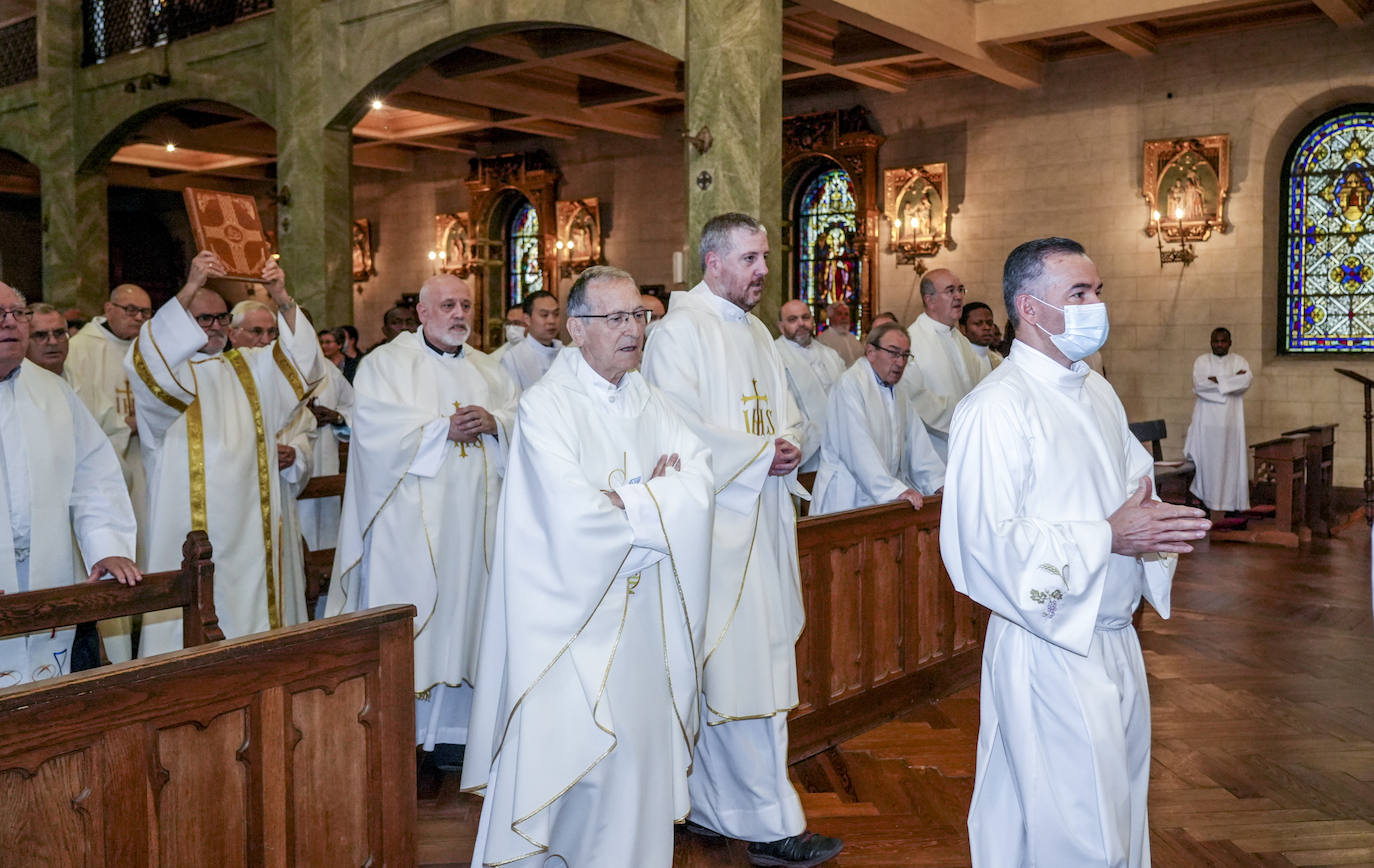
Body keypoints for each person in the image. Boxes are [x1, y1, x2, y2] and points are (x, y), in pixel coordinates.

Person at [940, 237, 1211, 868]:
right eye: (1080, 294)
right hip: (1049, 644)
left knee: (1117, 812)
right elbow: (982, 545)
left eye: (1098, 291)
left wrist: (1154, 522)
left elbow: (1131, 491)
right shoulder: (995, 408)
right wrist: (1111, 536)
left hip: (1114, 634)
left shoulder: (1096, 392)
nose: (1097, 305)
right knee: (1075, 831)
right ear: (1031, 309)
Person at [464, 266, 713, 868]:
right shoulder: (547, 408)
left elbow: (700, 479)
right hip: (571, 631)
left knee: (638, 763)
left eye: (639, 316)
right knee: (577, 771)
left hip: (643, 626)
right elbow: (572, 519)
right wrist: (654, 497)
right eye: (617, 318)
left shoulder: (649, 396)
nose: (633, 330)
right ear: (577, 328)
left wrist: (627, 501)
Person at [643, 213, 842, 868]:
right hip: (715, 536)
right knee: (736, 678)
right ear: (714, 261)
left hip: (765, 526)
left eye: (764, 257)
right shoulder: (676, 335)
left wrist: (787, 442)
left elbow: (787, 415)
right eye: (752, 258)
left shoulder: (757, 334)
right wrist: (762, 454)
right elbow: (674, 431)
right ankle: (770, 823)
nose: (763, 270)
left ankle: (707, 804)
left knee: (741, 676)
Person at [327, 273, 518, 770]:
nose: (459, 315)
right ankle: (399, 734)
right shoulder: (385, 364)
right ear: (423, 313)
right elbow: (373, 429)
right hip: (408, 526)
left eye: (466, 306)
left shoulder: (490, 369)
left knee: (468, 618)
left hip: (476, 524)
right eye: (448, 305)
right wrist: (441, 430)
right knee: (415, 620)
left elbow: (521, 418)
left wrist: (497, 423)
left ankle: (457, 733)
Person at [127, 251, 324, 657]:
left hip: (253, 528)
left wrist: (280, 295)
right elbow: (148, 358)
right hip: (189, 528)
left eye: (221, 319)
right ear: (184, 325)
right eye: (204, 319)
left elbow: (303, 364)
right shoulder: (171, 375)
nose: (215, 328)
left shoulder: (252, 366)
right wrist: (192, 284)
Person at [0, 281, 140, 687]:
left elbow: (93, 476)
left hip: (47, 573)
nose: (11, 323)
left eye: (17, 313)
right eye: (0, 314)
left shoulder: (53, 391)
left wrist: (107, 545)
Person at [66, 282, 154, 662]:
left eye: (145, 312)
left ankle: (146, 633)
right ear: (108, 308)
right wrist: (124, 425)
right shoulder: (82, 349)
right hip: (109, 466)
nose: (138, 318)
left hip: (149, 465)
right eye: (130, 310)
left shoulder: (151, 348)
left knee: (150, 546)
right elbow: (82, 423)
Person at [811, 322, 944, 515]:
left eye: (906, 355)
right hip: (847, 497)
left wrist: (937, 482)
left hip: (881, 497)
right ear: (871, 351)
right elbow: (857, 446)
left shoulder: (898, 390)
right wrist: (893, 490)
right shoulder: (850, 385)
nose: (900, 362)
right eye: (893, 353)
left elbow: (917, 442)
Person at [905, 268, 987, 461]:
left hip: (969, 442)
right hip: (935, 449)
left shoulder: (961, 340)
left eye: (960, 289)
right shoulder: (911, 341)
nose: (958, 296)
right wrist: (965, 416)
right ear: (929, 300)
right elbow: (916, 398)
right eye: (950, 291)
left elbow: (979, 386)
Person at [1183, 327, 1251, 512]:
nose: (1219, 344)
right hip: (1206, 425)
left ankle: (1231, 509)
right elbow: (1200, 386)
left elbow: (1245, 381)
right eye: (1215, 341)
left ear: (1230, 342)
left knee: (1231, 466)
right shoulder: (1202, 362)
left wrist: (1217, 381)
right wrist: (1230, 382)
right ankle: (1206, 506)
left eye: (1223, 341)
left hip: (1231, 424)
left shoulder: (1239, 361)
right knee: (1207, 465)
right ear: (1210, 342)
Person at [775, 298, 846, 475]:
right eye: (792, 319)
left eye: (805, 317)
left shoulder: (830, 355)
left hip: (842, 447)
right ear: (781, 326)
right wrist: (815, 435)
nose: (801, 323)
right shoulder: (774, 356)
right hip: (807, 450)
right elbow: (782, 407)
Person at [499, 289, 562, 390]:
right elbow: (511, 403)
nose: (551, 321)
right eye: (544, 315)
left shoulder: (567, 354)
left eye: (556, 314)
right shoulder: (512, 359)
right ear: (527, 319)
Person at [24, 304, 69, 377]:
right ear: (23, 341)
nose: (53, 342)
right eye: (40, 335)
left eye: (59, 333)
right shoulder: (12, 385)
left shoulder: (85, 377)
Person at [815, 300, 863, 366]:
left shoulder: (853, 339)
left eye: (846, 314)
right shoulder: (822, 341)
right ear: (831, 318)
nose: (844, 318)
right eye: (839, 314)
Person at [959, 301, 1003, 370]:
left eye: (989, 323)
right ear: (963, 329)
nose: (987, 328)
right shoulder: (958, 360)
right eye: (978, 323)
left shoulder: (999, 361)